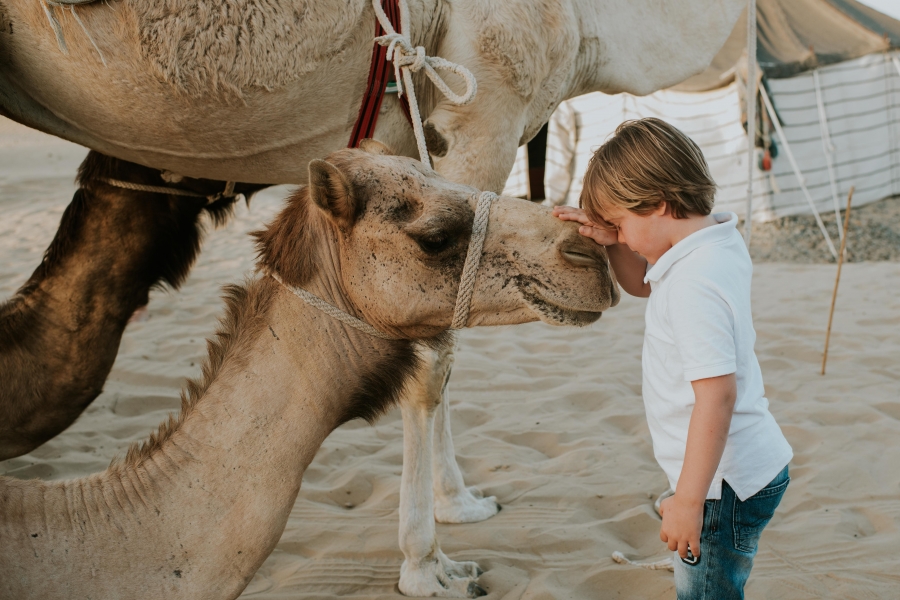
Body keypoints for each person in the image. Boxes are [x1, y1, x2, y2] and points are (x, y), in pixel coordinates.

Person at [554, 118, 792, 599]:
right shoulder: (714, 241)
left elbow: (716, 396)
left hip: (723, 486)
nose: (620, 235)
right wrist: (615, 241)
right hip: (743, 465)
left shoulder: (692, 285)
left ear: (659, 204)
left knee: (705, 592)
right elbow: (642, 283)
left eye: (621, 224)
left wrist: (689, 501)